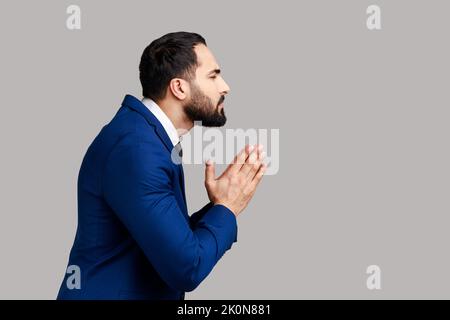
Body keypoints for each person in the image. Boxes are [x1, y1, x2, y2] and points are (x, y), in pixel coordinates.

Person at [57, 31, 266, 300]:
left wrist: (219, 207)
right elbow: (187, 267)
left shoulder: (147, 138)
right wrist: (227, 208)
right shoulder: (137, 150)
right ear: (179, 88)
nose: (225, 86)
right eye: (213, 76)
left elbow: (165, 239)